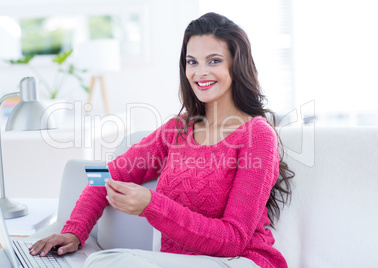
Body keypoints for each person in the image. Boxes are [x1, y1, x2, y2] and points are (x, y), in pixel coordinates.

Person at [30, 12, 294, 268]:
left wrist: (151, 205)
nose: (200, 72)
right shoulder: (176, 130)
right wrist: (75, 231)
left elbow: (234, 239)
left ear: (236, 65)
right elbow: (105, 174)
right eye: (192, 62)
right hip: (178, 261)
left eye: (213, 61)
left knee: (108, 262)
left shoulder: (257, 136)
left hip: (239, 261)